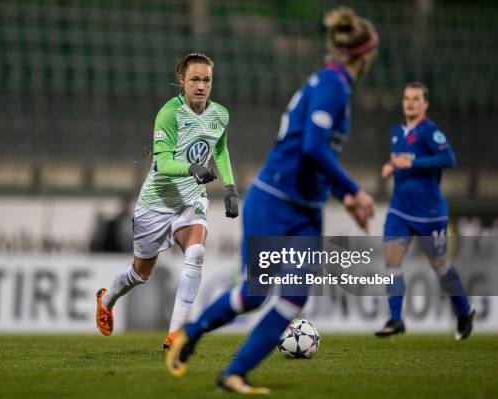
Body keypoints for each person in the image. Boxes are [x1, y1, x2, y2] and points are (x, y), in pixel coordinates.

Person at [166, 7, 377, 394]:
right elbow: (313, 148)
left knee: (289, 296)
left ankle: (233, 373)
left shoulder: (332, 85)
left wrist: (339, 195)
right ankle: (193, 335)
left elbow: (312, 155)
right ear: (365, 55)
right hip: (277, 201)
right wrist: (353, 191)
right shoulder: (332, 85)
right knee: (254, 294)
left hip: (304, 210)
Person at [95, 53, 239, 349]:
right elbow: (161, 163)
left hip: (191, 200)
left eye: (207, 80)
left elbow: (220, 150)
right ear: (182, 80)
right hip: (156, 202)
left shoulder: (220, 115)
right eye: (195, 79)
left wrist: (231, 188)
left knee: (196, 252)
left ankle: (175, 333)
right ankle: (107, 298)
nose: (201, 86)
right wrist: (191, 168)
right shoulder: (169, 114)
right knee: (140, 273)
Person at [375, 82, 474, 340]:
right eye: (407, 98)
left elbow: (448, 159)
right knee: (392, 262)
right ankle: (396, 320)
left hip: (429, 213)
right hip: (400, 210)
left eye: (416, 98)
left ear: (425, 103)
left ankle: (464, 312)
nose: (410, 103)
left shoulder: (431, 132)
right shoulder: (396, 132)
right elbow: (401, 161)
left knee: (440, 266)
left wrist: (413, 161)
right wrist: (391, 167)